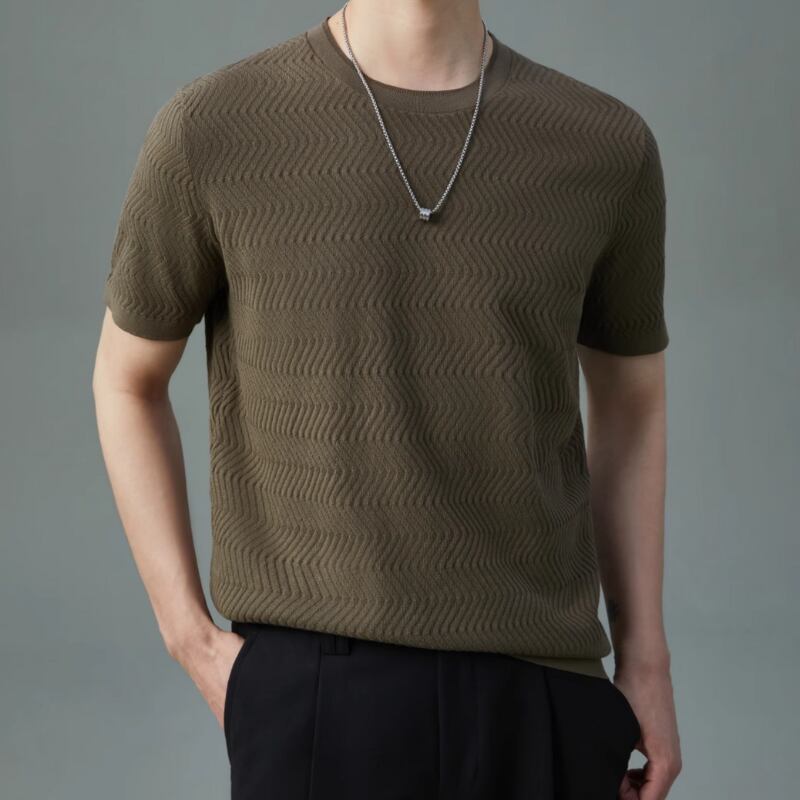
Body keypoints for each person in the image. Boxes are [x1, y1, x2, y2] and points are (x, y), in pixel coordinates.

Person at [92, 1, 682, 798]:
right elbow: (125, 378)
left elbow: (632, 404)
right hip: (317, 688)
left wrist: (646, 656)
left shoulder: (604, 145)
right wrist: (189, 638)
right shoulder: (215, 127)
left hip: (544, 688)